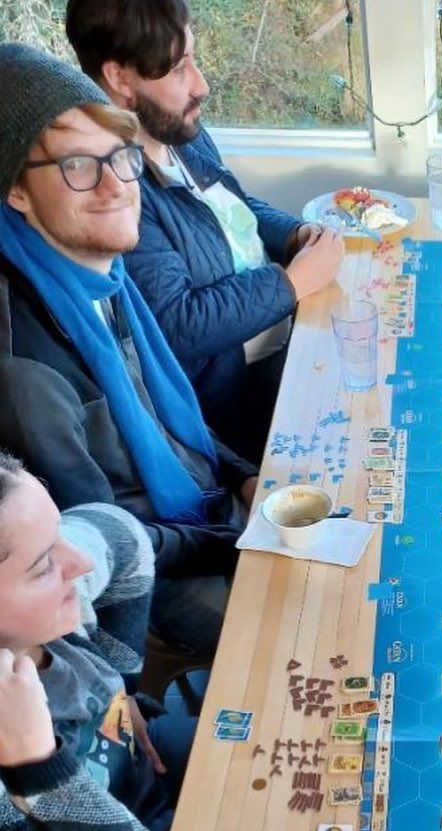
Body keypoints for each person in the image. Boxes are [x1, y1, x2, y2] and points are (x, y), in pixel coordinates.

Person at [0, 43, 255, 658]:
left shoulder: (101, 278)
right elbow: (104, 541)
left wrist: (247, 481)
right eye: (78, 166)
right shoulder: (23, 372)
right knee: (315, 630)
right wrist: (238, 540)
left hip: (201, 516)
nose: (116, 185)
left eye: (121, 157)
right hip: (148, 579)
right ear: (17, 192)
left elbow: (171, 425)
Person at [65, 0, 345, 464]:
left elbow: (231, 209)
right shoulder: (117, 189)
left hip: (288, 334)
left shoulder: (176, 128)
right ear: (119, 79)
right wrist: (292, 282)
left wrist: (295, 236)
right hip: (244, 399)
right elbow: (177, 324)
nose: (201, 84)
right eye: (178, 69)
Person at [0, 452, 179, 831]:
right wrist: (37, 767)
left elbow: (119, 532)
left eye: (58, 536)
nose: (75, 563)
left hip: (164, 803)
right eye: (42, 566)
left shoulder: (47, 621)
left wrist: (123, 686)